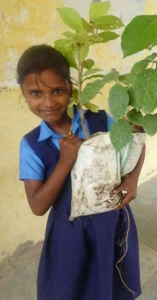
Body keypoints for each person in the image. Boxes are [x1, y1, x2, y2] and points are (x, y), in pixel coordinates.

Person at [18, 45, 145, 300]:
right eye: (35, 93)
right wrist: (65, 161)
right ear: (23, 95)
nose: (48, 102)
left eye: (57, 91)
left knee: (108, 282)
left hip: (111, 220)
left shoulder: (99, 120)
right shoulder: (32, 144)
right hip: (70, 230)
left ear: (71, 89)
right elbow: (37, 205)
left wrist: (132, 180)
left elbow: (137, 138)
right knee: (69, 286)